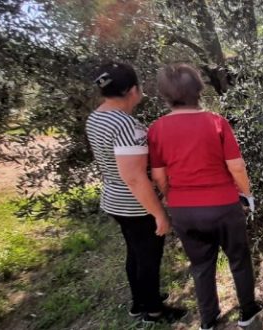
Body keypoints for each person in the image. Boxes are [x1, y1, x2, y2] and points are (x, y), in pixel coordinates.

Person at [147, 64, 261, 330]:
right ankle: (248, 313)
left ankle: (209, 321)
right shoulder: (216, 122)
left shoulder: (156, 129)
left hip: (184, 210)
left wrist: (171, 197)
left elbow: (159, 176)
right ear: (199, 90)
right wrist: (247, 195)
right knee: (239, 260)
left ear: (166, 95)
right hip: (223, 206)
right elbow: (237, 167)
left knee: (200, 266)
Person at [85, 61, 186, 324]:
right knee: (149, 258)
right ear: (133, 90)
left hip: (114, 199)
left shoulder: (97, 117)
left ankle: (139, 301)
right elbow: (135, 177)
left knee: (135, 253)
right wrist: (159, 214)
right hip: (135, 204)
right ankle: (153, 311)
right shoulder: (127, 126)